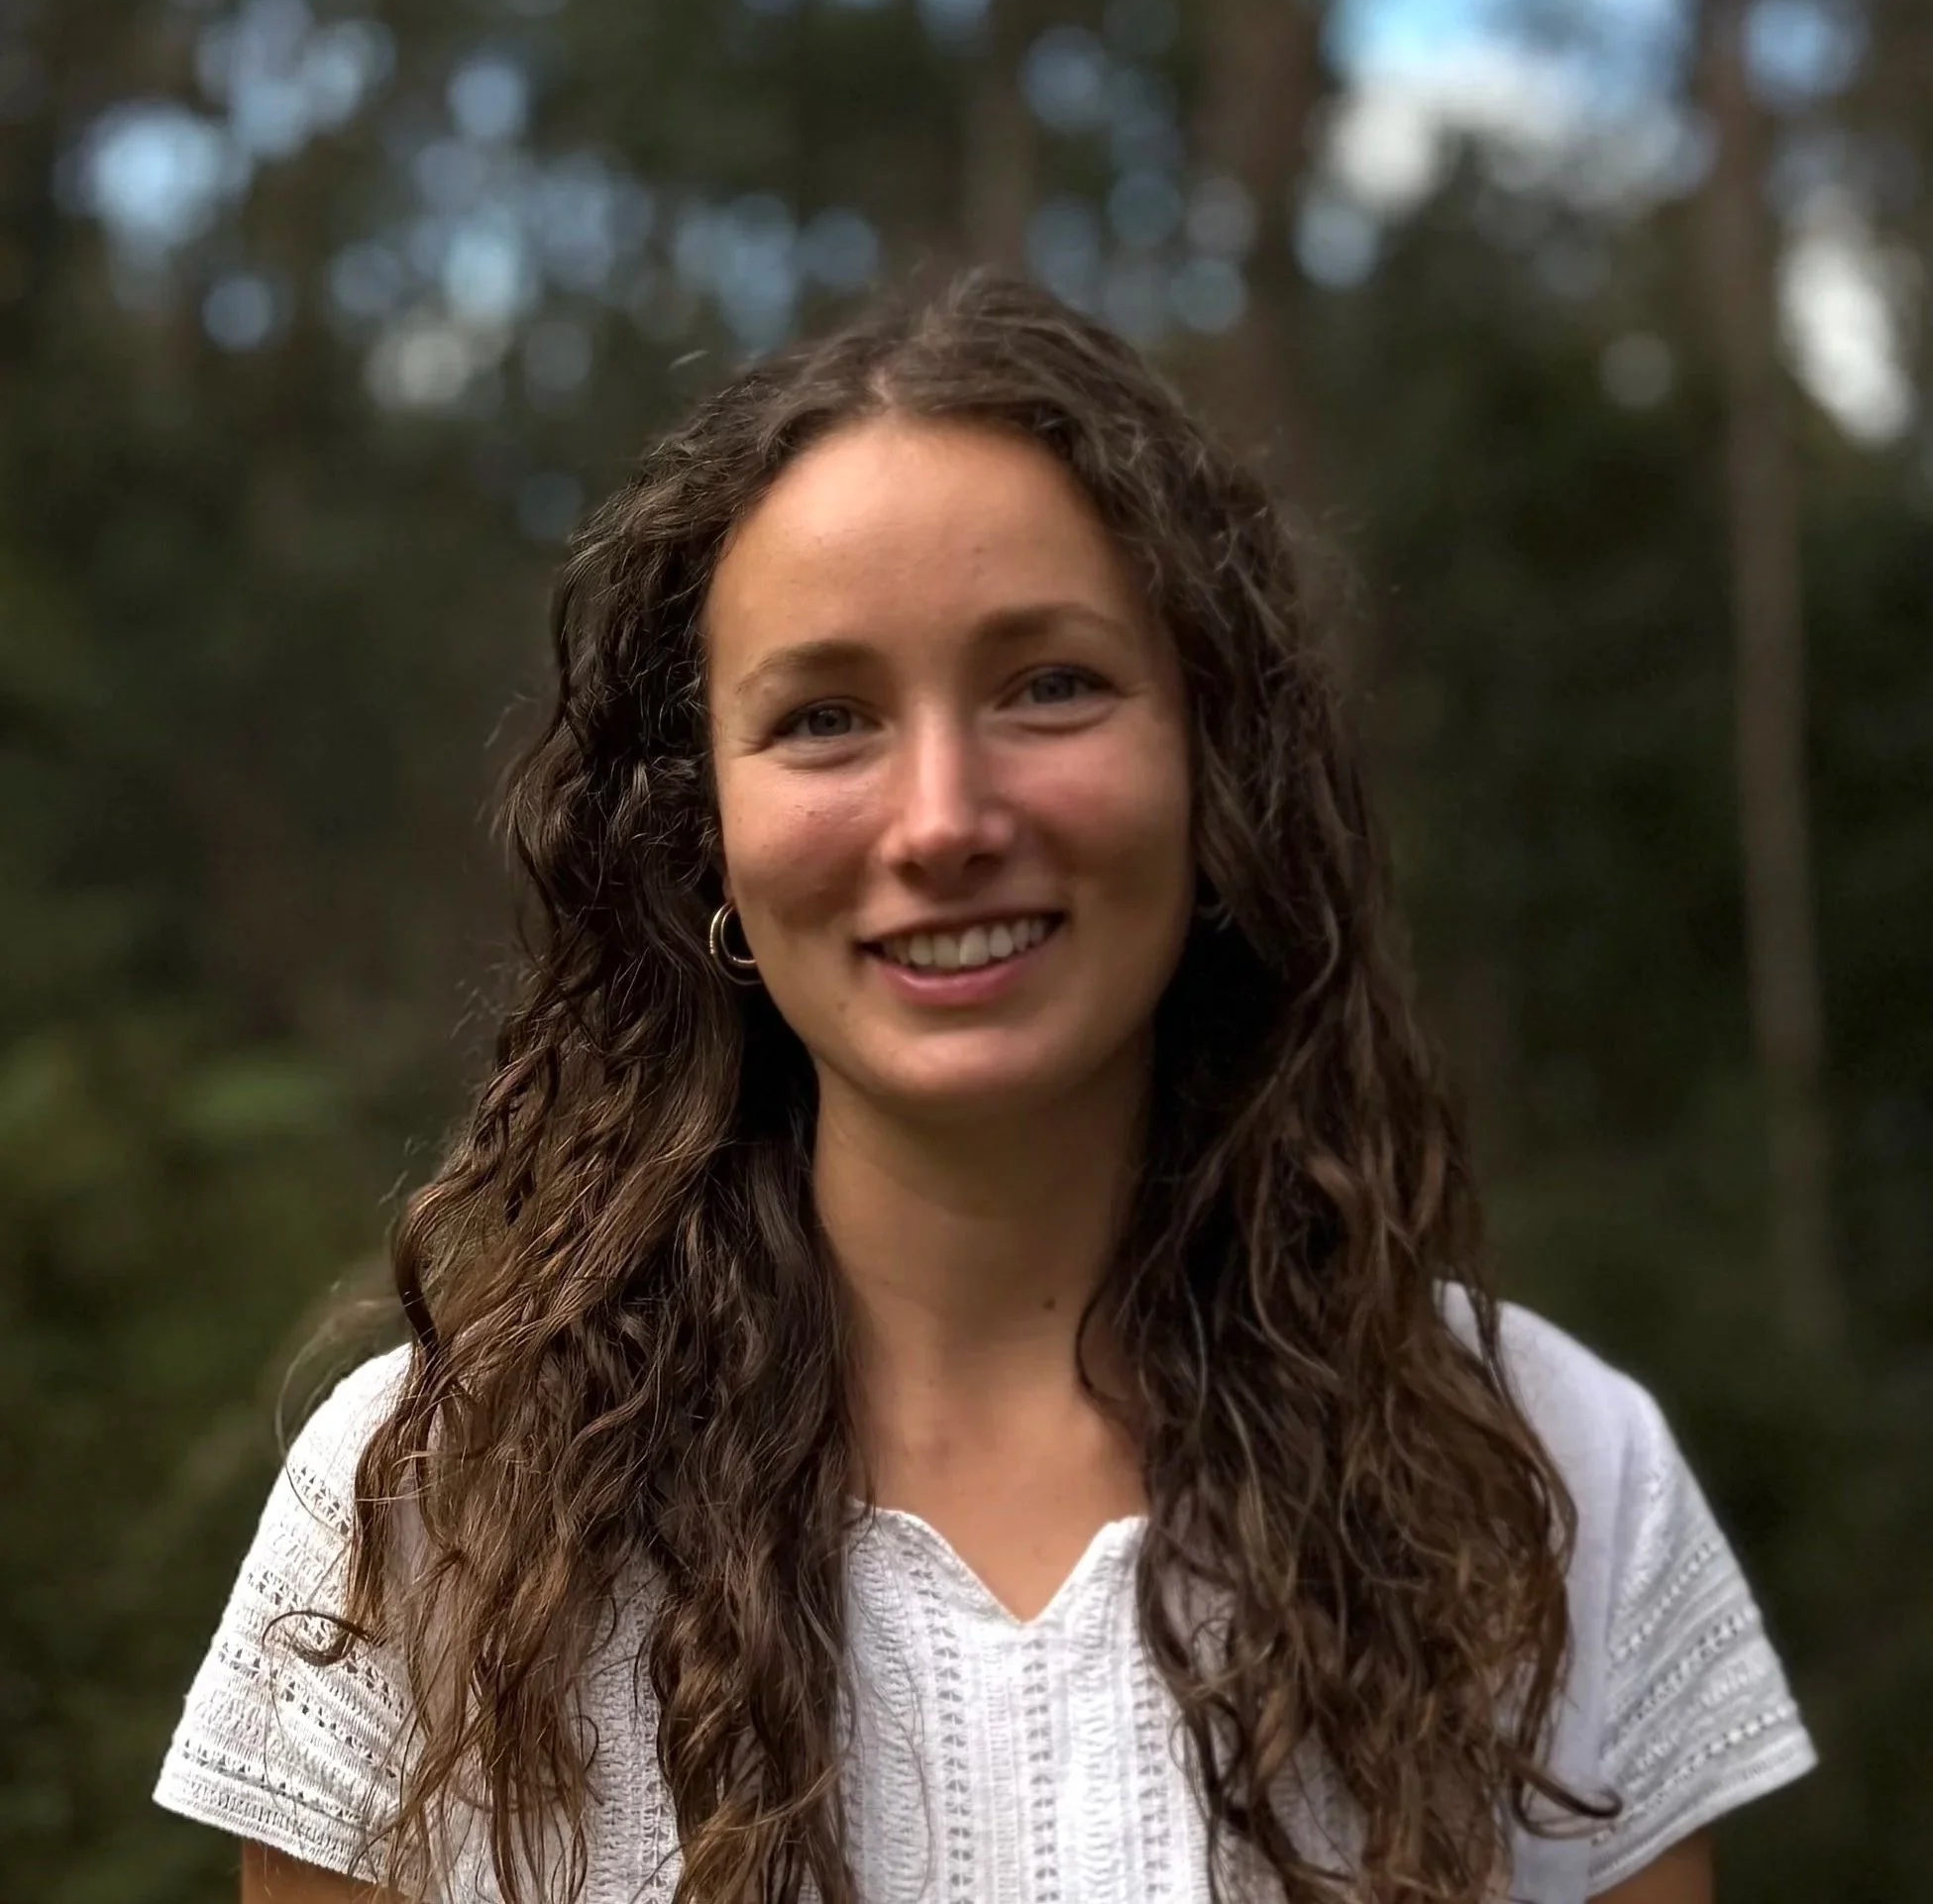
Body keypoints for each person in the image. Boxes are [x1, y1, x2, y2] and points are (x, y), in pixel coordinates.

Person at [154, 271, 1815, 1904]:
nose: (942, 816)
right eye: (823, 717)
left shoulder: (1533, 1478)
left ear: (1212, 766)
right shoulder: (443, 1510)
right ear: (702, 835)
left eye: (1048, 684)